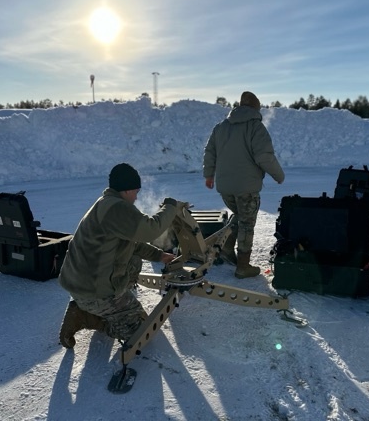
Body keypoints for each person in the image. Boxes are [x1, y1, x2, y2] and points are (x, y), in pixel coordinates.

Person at [58, 163, 185, 348]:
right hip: (93, 291)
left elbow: (131, 243)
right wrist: (170, 207)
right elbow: (150, 230)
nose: (136, 197)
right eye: (136, 192)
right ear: (126, 190)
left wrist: (159, 255)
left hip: (81, 283)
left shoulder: (106, 203)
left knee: (133, 260)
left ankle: (101, 306)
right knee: (141, 331)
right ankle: (87, 316)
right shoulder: (117, 208)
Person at [203, 91, 285, 279]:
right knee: (247, 223)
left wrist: (209, 175)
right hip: (247, 188)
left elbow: (210, 152)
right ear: (256, 108)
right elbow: (264, 156)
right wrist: (278, 175)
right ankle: (243, 266)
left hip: (225, 187)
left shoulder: (221, 127)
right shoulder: (256, 127)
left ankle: (226, 248)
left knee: (239, 216)